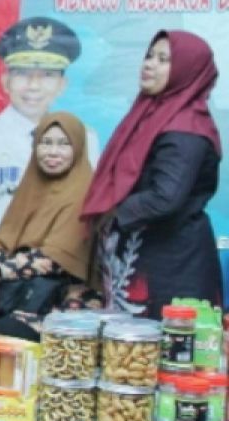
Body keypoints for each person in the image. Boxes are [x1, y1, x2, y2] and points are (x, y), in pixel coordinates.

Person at [82, 30, 222, 318]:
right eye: (149, 56)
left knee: (163, 358)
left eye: (163, 59)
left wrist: (114, 214)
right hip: (146, 258)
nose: (149, 64)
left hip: (172, 269)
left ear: (187, 70)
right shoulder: (152, 114)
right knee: (129, 359)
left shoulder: (186, 128)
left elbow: (165, 198)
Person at [0, 17, 100, 275]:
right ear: (5, 80)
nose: (34, 86)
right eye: (23, 74)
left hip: (56, 277)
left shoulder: (85, 138)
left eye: (48, 75)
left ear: (63, 84)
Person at [0, 112, 102, 340]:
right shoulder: (31, 186)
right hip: (16, 290)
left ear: (79, 148)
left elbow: (53, 260)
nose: (53, 152)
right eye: (46, 142)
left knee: (5, 333)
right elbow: (2, 241)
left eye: (64, 144)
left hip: (60, 302)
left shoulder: (84, 192)